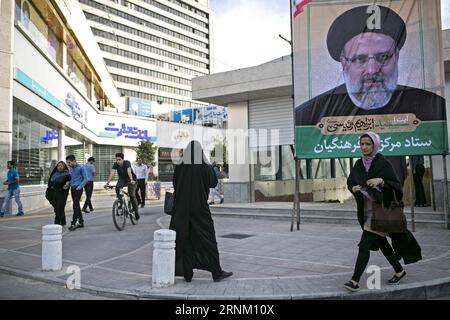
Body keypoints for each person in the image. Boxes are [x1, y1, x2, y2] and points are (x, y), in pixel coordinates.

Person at [295, 5, 446, 126]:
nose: (372, 69)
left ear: (397, 57)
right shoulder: (309, 116)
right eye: (360, 59)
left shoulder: (432, 107)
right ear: (343, 63)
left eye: (383, 57)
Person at [345, 132, 422, 292]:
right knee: (382, 244)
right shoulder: (359, 164)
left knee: (364, 245)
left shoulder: (383, 163)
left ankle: (354, 280)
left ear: (374, 145)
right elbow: (351, 180)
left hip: (381, 211)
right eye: (362, 144)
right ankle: (399, 271)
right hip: (366, 211)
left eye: (368, 144)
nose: (364, 147)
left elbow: (396, 185)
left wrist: (381, 181)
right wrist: (353, 188)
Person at [169, 140, 232, 282]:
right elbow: (213, 182)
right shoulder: (204, 166)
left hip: (181, 210)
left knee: (185, 239)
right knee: (208, 240)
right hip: (200, 210)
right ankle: (217, 272)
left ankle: (187, 273)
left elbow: (175, 184)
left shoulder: (180, 166)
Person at [105, 152, 139, 220]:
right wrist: (107, 183)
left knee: (132, 195)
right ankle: (120, 204)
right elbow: (112, 173)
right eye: (117, 160)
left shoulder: (127, 163)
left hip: (131, 179)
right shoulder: (115, 164)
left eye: (119, 159)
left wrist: (131, 180)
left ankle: (136, 211)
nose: (118, 161)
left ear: (122, 159)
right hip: (122, 179)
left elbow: (129, 171)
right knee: (117, 188)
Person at [66, 155, 88, 231]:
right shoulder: (71, 169)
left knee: (75, 205)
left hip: (78, 189)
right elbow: (71, 179)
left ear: (74, 161)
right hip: (72, 189)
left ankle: (73, 223)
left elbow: (86, 179)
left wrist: (80, 186)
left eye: (69, 162)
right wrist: (68, 185)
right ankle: (81, 222)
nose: (68, 164)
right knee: (77, 205)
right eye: (68, 163)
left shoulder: (81, 168)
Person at [47, 161, 71, 226]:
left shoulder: (67, 174)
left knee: (59, 207)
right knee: (58, 208)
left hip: (62, 193)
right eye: (58, 166)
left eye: (61, 166)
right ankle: (63, 221)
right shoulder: (54, 174)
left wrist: (67, 184)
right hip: (54, 193)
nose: (60, 167)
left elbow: (69, 181)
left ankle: (56, 222)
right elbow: (50, 182)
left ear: (64, 167)